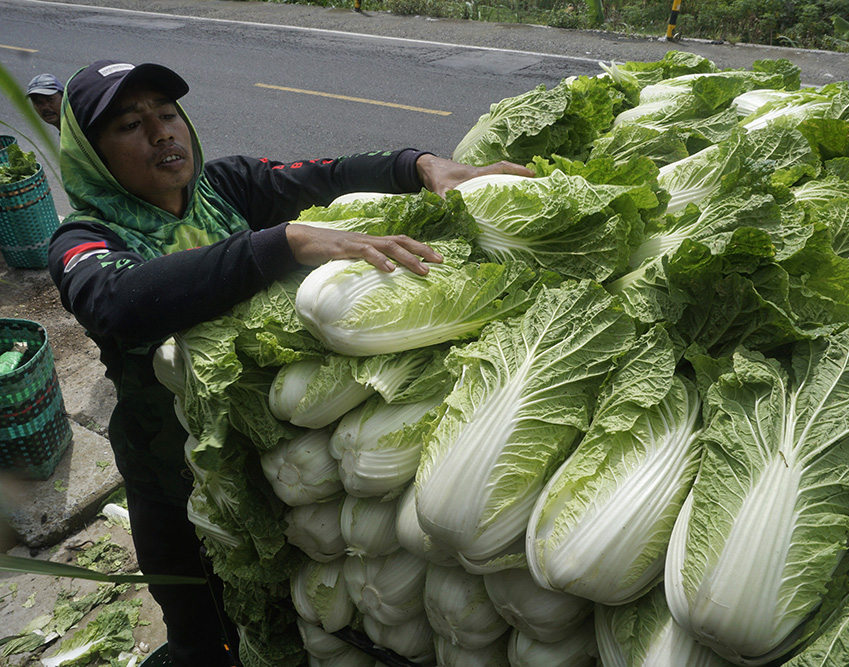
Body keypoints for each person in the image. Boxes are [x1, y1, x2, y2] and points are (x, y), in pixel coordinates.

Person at [47, 59, 532, 667]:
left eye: (167, 115)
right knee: (203, 629)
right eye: (129, 125)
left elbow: (325, 174)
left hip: (264, 456)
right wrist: (283, 243)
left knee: (275, 614)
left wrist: (420, 165)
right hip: (174, 479)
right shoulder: (83, 239)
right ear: (92, 154)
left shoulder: (226, 188)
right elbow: (119, 301)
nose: (162, 133)